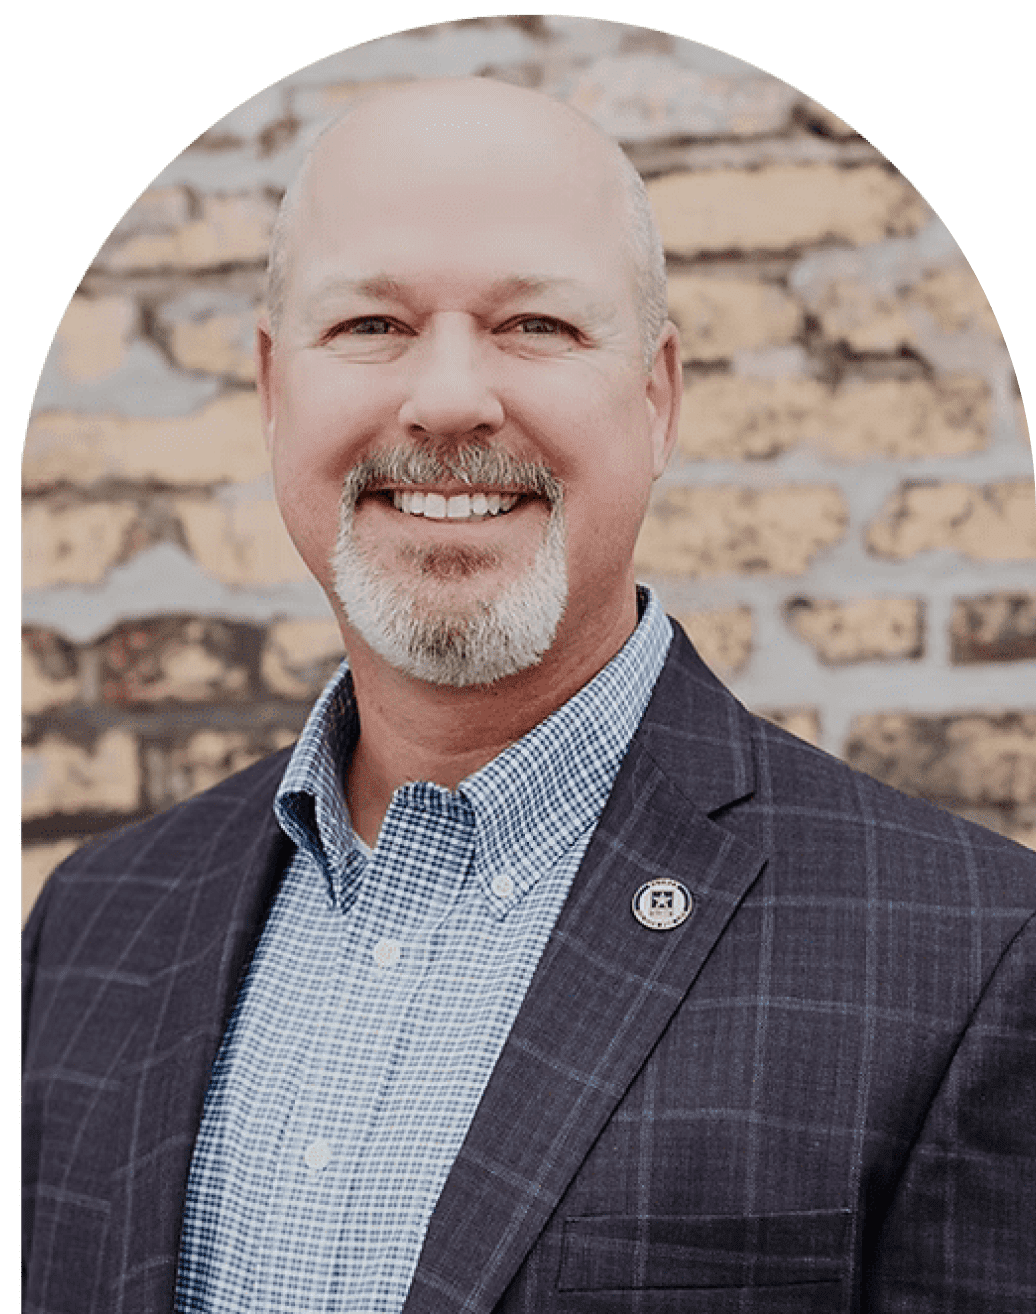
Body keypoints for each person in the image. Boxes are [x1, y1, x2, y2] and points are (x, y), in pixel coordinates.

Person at [22, 77, 1035, 1314]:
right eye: (372, 324)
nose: (449, 397)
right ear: (274, 391)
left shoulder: (972, 959)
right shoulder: (87, 929)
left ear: (656, 397)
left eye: (536, 325)